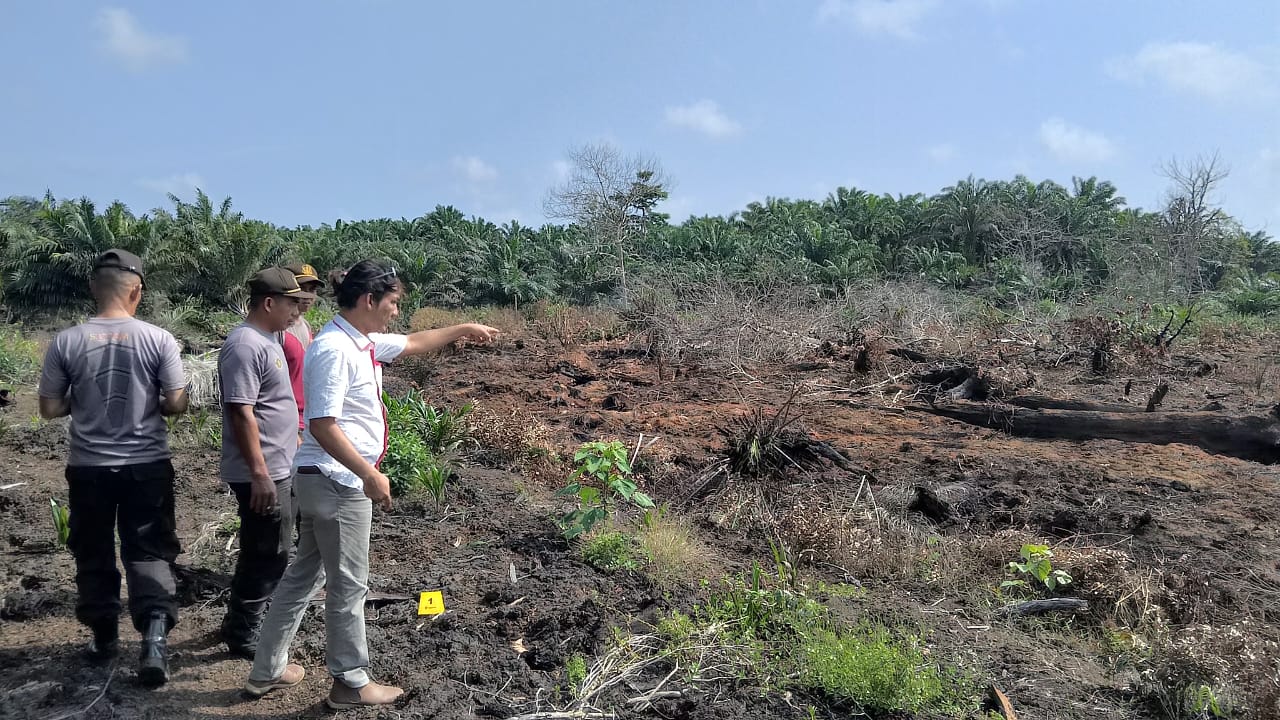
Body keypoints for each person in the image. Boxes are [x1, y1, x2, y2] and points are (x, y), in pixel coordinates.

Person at [244, 260, 498, 708]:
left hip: (326, 480)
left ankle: (267, 668)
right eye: (394, 303)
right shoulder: (334, 350)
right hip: (337, 482)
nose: (397, 312)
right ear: (369, 301)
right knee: (348, 585)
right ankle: (350, 682)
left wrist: (463, 328)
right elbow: (322, 424)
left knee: (303, 576)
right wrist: (369, 473)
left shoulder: (362, 342)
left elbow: (417, 342)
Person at [37, 249, 189, 686]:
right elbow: (176, 403)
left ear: (93, 287)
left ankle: (104, 637)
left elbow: (49, 408)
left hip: (89, 468)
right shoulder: (159, 339)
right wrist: (159, 403)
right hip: (147, 467)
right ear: (137, 290)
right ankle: (155, 640)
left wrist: (78, 402)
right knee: (150, 549)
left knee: (94, 548)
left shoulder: (66, 341)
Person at [218, 268, 315, 658]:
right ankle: (245, 633)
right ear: (270, 303)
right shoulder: (245, 345)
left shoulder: (269, 339)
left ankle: (239, 623)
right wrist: (259, 473)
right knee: (268, 552)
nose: (298, 310)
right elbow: (241, 413)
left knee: (268, 547)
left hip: (278, 465)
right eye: (292, 303)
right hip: (263, 472)